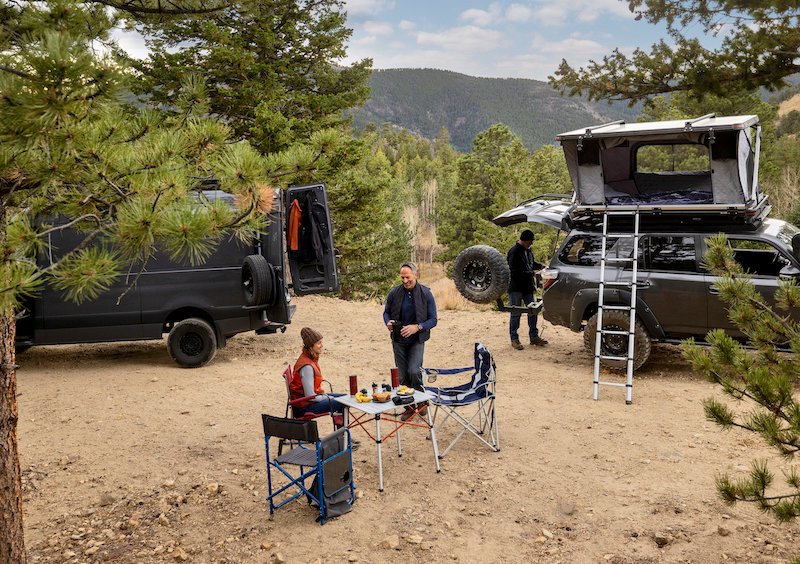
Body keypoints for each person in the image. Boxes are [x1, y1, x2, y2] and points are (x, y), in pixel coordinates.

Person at [383, 262, 438, 421]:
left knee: (414, 371)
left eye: (408, 277)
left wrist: (417, 327)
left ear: (416, 275)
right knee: (402, 376)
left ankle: (421, 402)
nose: (405, 280)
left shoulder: (426, 294)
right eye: (402, 277)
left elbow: (433, 320)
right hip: (398, 341)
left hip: (417, 340)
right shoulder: (394, 292)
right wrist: (387, 322)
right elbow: (386, 312)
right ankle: (409, 407)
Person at [290, 327, 344, 419]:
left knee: (345, 398)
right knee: (343, 402)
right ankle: (342, 432)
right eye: (319, 343)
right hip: (304, 407)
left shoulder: (309, 359)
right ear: (311, 346)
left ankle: (341, 431)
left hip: (308, 401)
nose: (322, 345)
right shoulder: (307, 366)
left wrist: (326, 397)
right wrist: (327, 398)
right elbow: (310, 396)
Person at [507, 229, 548, 350]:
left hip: (528, 287)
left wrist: (540, 266)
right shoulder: (514, 252)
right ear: (525, 240)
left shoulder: (528, 251)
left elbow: (530, 263)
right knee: (515, 313)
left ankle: (534, 337)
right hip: (516, 287)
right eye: (530, 241)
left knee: (533, 311)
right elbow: (513, 271)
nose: (531, 244)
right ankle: (514, 339)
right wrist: (529, 273)